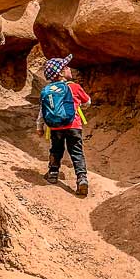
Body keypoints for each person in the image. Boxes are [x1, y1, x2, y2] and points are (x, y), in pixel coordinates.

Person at [36, 54, 92, 197]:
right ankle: (81, 179)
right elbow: (87, 102)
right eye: (66, 67)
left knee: (56, 150)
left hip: (55, 127)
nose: (69, 69)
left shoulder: (47, 91)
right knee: (77, 152)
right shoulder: (74, 87)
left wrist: (39, 127)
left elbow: (42, 110)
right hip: (73, 125)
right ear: (61, 73)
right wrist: (79, 105)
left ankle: (53, 173)